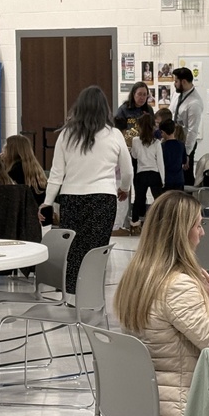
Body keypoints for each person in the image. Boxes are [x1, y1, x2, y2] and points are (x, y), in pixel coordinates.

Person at [114, 191, 209, 416]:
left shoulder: (137, 276)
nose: (202, 233)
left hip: (133, 414)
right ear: (181, 233)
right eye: (198, 225)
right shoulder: (177, 286)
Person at [42, 85, 132, 295]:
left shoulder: (66, 135)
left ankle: (71, 292)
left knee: (73, 248)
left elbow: (56, 173)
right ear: (105, 109)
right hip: (103, 198)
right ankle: (91, 293)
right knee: (96, 249)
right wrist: (124, 189)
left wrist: (47, 202)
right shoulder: (114, 134)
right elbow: (127, 171)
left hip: (71, 198)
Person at [130, 113, 164, 230]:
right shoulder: (157, 142)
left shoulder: (135, 141)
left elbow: (134, 156)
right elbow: (160, 162)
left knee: (138, 199)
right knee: (158, 200)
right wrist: (163, 179)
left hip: (141, 174)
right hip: (154, 173)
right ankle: (161, 223)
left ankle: (135, 224)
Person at [170, 67, 203, 186]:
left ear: (183, 82)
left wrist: (187, 153)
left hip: (185, 143)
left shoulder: (194, 103)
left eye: (176, 81)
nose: (174, 84)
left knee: (185, 176)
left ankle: (188, 197)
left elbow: (192, 130)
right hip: (173, 140)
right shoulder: (177, 94)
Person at [2, 134, 48, 209]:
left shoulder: (14, 171)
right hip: (38, 210)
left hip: (24, 211)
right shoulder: (36, 169)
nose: (2, 151)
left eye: (5, 148)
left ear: (12, 151)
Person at [159, 119, 186, 192]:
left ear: (163, 132)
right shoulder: (181, 145)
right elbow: (184, 161)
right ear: (174, 130)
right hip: (179, 179)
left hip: (167, 179)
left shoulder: (162, 146)